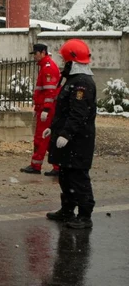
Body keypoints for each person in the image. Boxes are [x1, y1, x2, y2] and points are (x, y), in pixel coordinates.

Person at [44, 38, 96, 230]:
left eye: (63, 60)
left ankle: (84, 214)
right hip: (69, 139)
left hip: (78, 141)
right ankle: (67, 209)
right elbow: (64, 110)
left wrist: (66, 134)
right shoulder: (72, 80)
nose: (60, 64)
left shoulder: (82, 83)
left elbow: (78, 113)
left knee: (78, 177)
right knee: (65, 176)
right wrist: (54, 128)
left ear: (71, 62)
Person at [21, 43, 61, 176]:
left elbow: (50, 92)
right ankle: (56, 166)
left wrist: (46, 109)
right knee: (48, 138)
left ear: (43, 52)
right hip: (43, 109)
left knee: (42, 138)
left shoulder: (48, 68)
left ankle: (37, 166)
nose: (35, 57)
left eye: (36, 54)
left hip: (46, 110)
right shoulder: (46, 66)